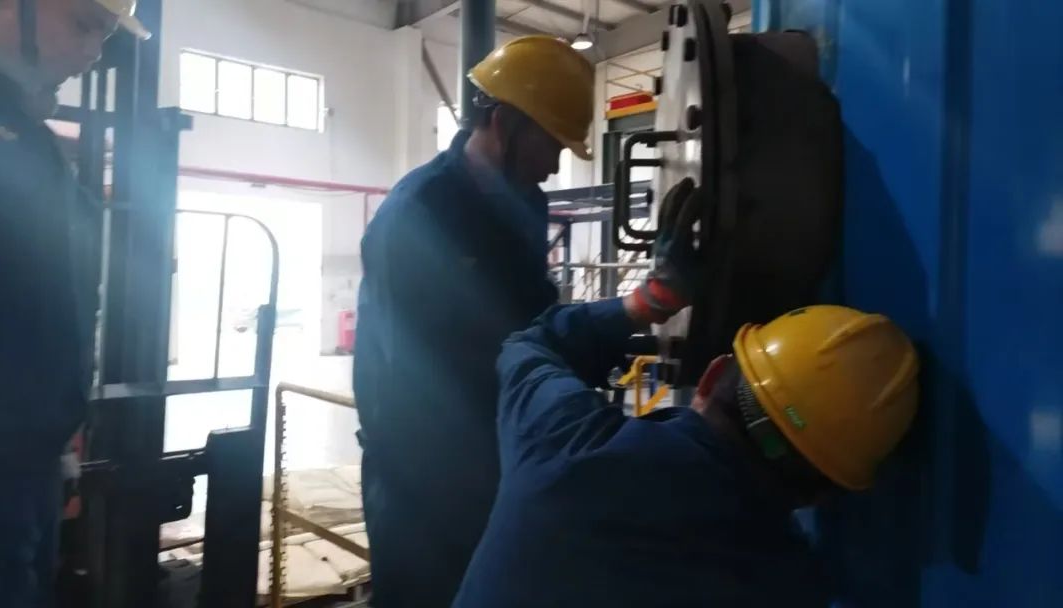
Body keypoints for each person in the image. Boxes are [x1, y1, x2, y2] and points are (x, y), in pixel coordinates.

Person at [453, 180, 920, 607]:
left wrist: (653, 299)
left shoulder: (563, 444)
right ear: (821, 495)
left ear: (713, 376)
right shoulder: (790, 588)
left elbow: (531, 346)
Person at [354, 36, 594, 607]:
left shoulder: (527, 202)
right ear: (505, 123)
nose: (555, 165)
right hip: (418, 469)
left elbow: (533, 315)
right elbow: (415, 364)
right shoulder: (417, 212)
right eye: (550, 144)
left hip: (497, 450)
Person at [0, 1, 149, 605]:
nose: (93, 53)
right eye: (84, 24)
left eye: (103, 35)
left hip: (23, 463)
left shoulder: (27, 135)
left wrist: (56, 443)